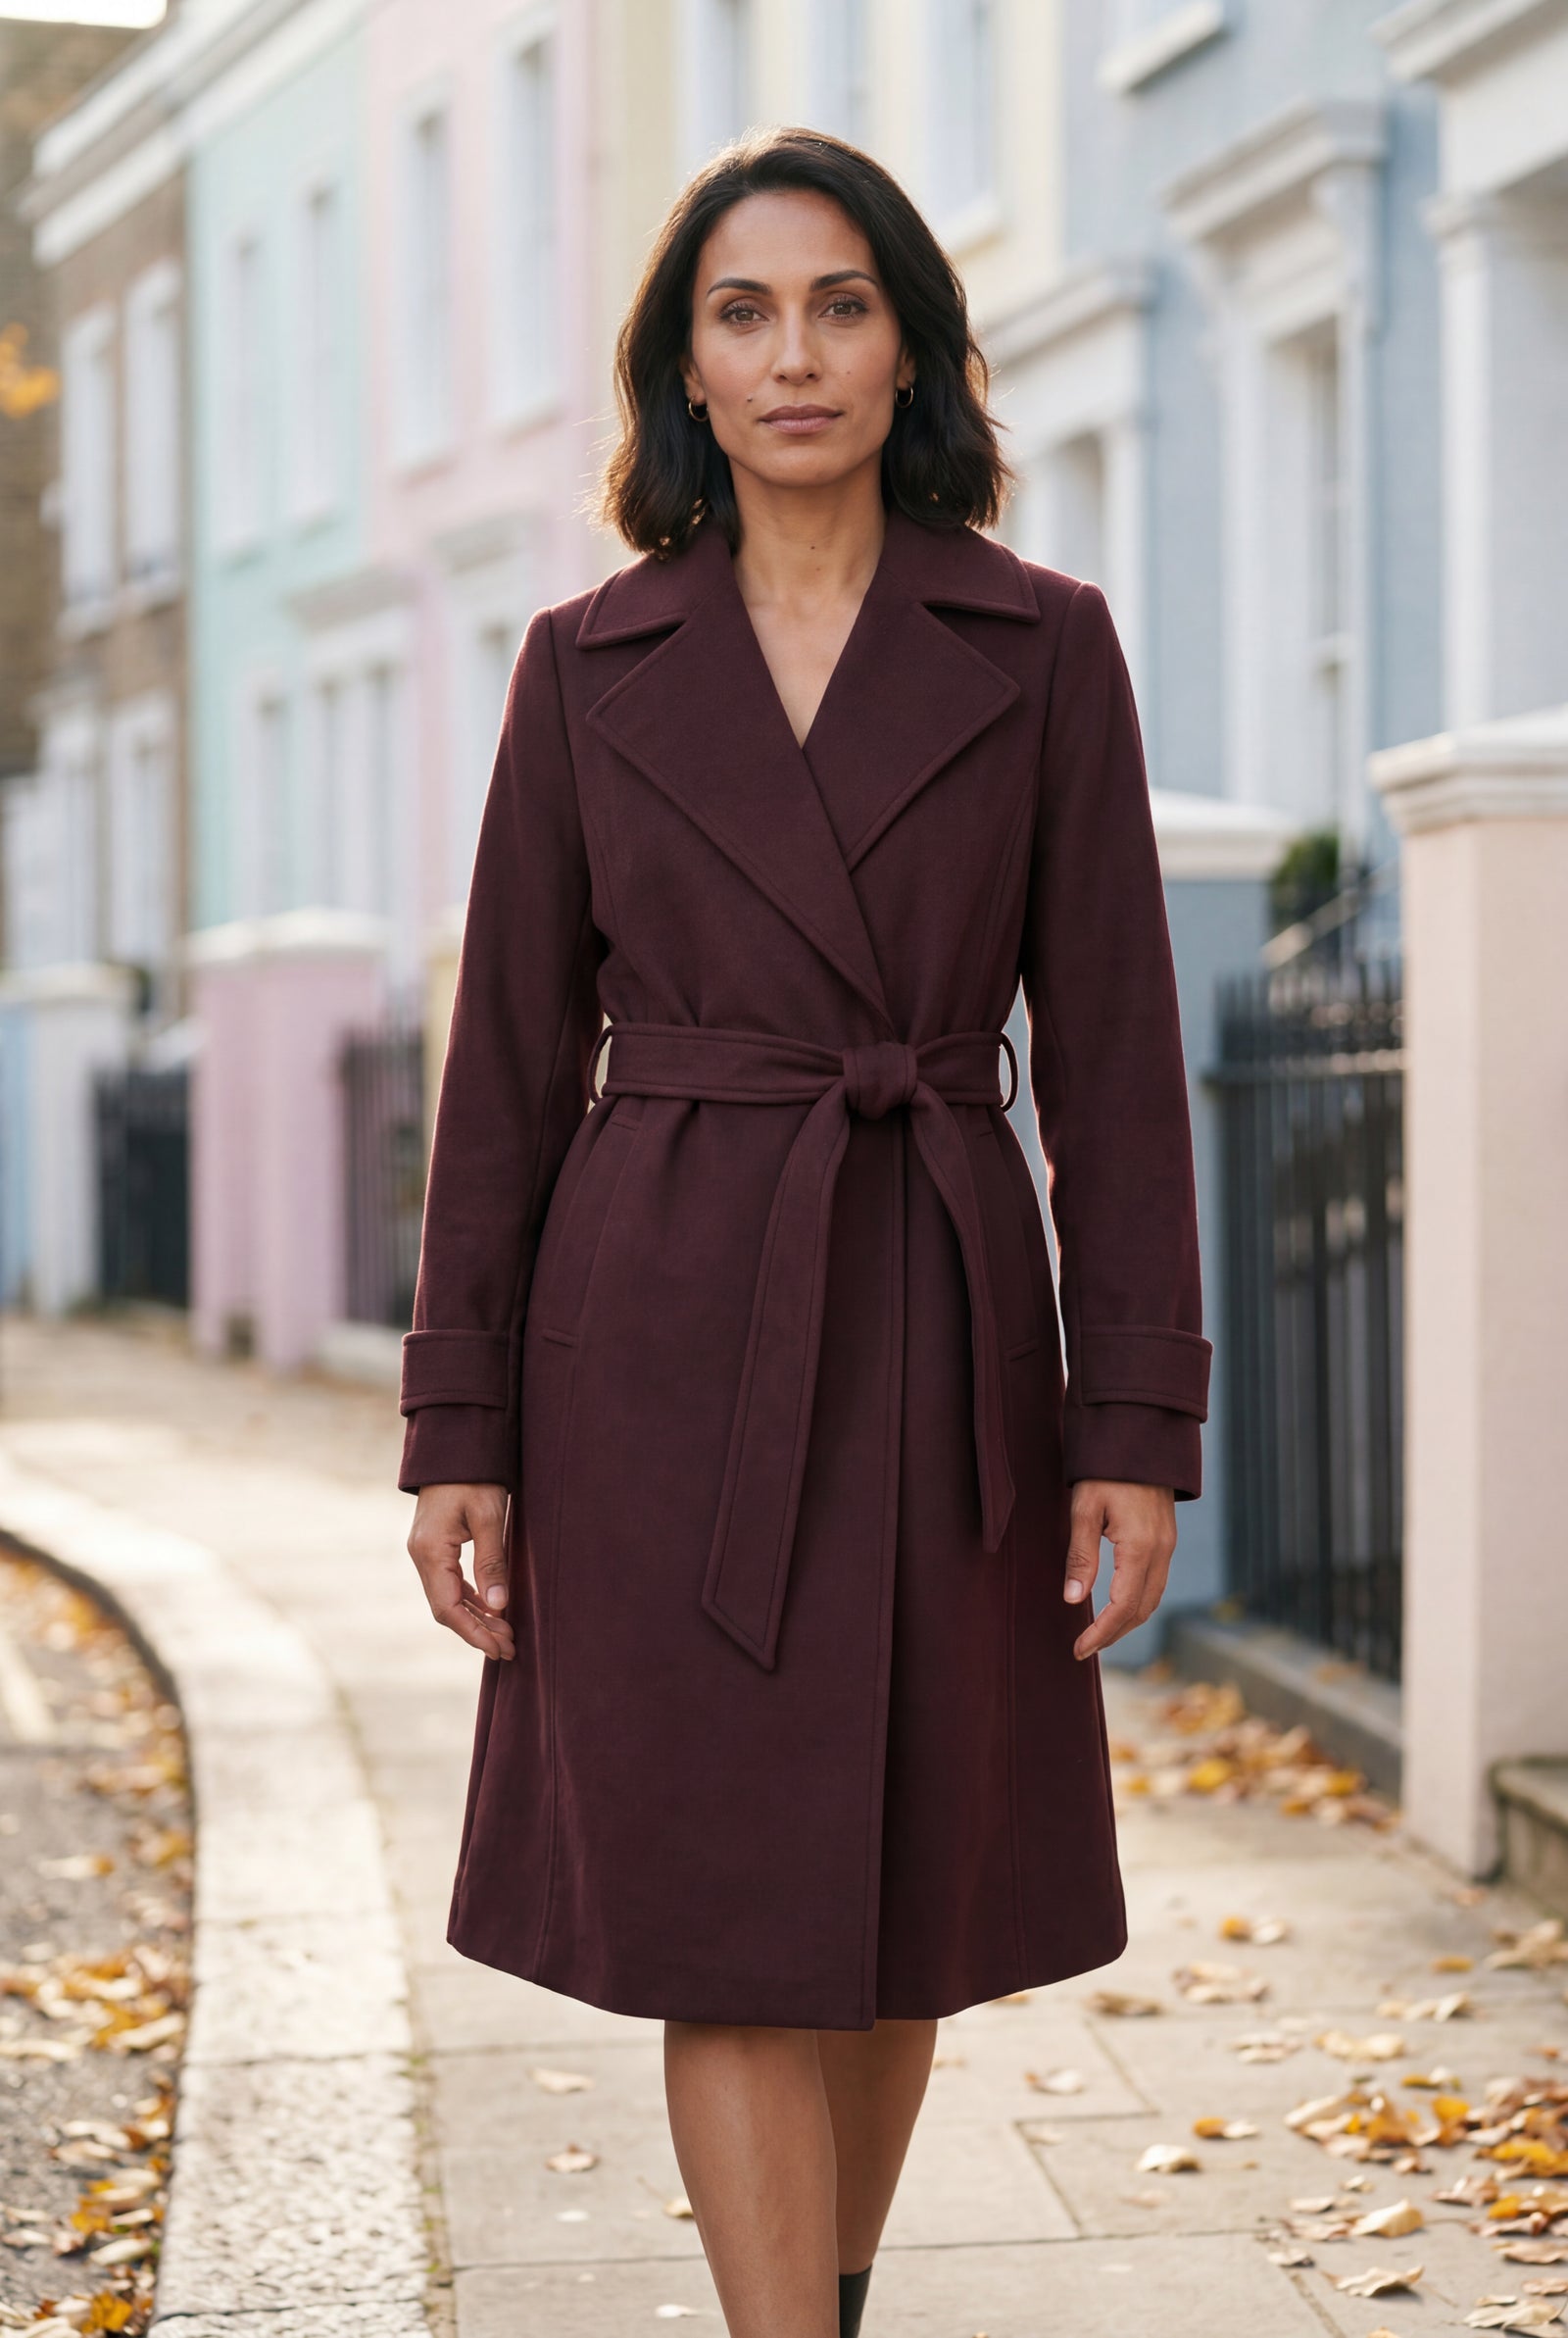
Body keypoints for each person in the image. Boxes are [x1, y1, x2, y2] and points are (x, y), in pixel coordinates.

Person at [401, 125, 1211, 2338]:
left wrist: (1129, 1419)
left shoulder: (1042, 648)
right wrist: (455, 1421)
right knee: (726, 1900)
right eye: (740, 312)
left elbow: (1123, 1053)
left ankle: (825, 2293)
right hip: (653, 1337)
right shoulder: (583, 667)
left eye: (838, 304)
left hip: (944, 1320)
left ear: (911, 345)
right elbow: (500, 1069)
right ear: (681, 364)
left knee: (897, 1884)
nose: (792, 356)